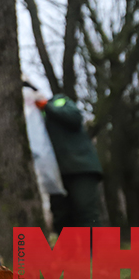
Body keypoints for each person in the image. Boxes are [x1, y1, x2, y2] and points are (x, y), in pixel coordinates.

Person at [34, 95, 103, 231]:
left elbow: (74, 117)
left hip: (81, 168)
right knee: (61, 216)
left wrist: (47, 106)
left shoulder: (59, 101)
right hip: (55, 173)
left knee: (84, 210)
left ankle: (92, 250)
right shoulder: (32, 115)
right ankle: (69, 251)